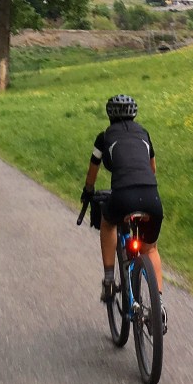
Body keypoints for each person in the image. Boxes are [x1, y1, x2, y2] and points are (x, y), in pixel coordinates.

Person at [81, 94, 166, 333]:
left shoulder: (104, 137)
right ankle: (158, 306)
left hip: (123, 196)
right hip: (151, 197)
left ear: (109, 115)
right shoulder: (144, 134)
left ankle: (109, 280)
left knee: (108, 223)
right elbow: (152, 168)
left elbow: (92, 172)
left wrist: (88, 192)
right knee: (150, 249)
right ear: (134, 114)